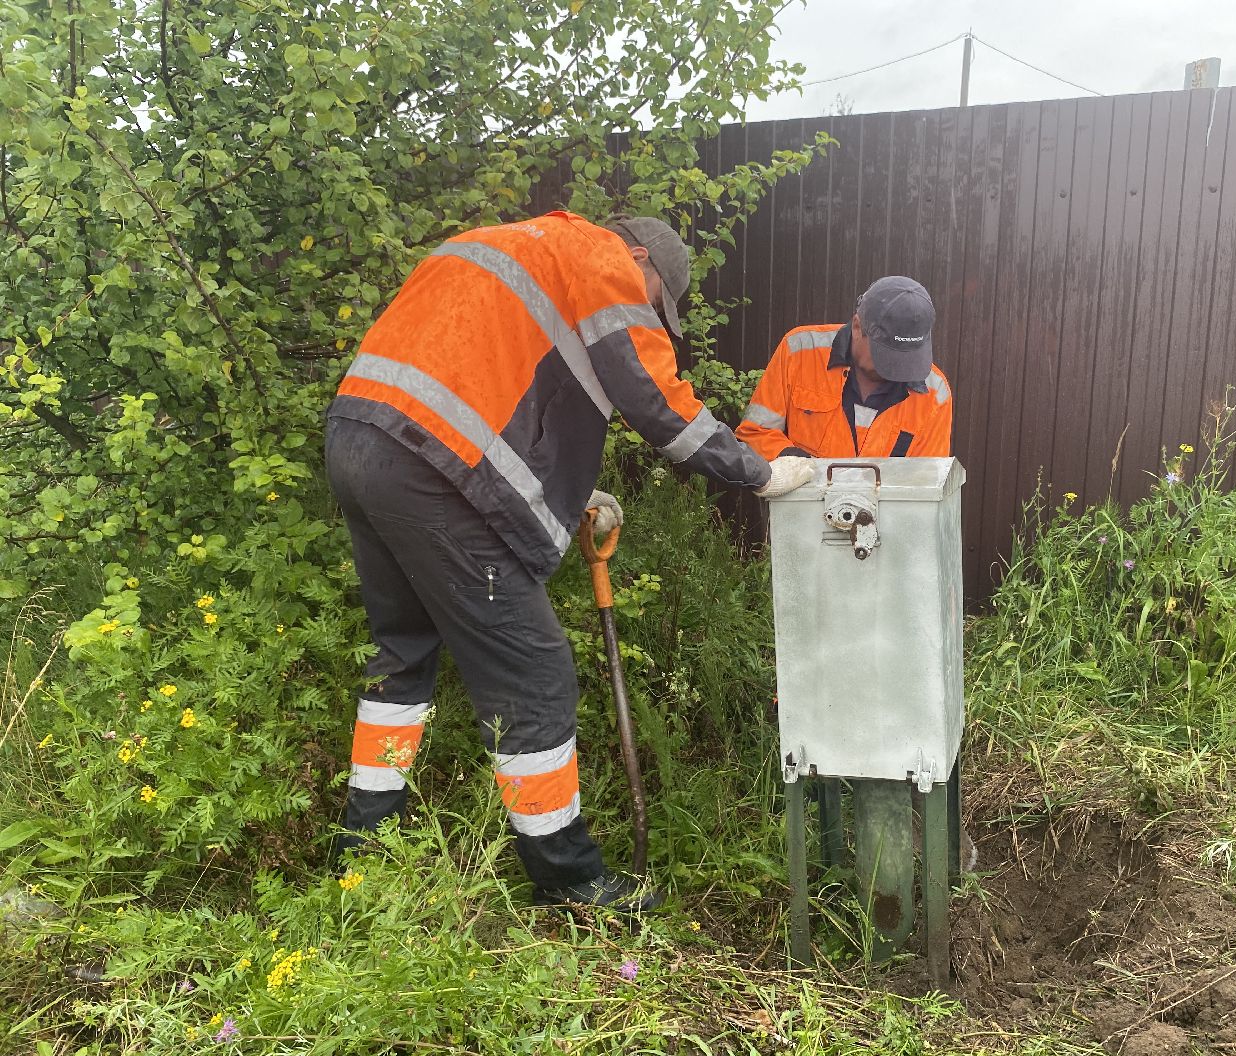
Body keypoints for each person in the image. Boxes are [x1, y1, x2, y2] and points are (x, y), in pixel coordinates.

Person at [325, 211, 812, 912]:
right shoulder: (600, 259)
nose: (649, 311)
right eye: (655, 298)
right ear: (640, 256)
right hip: (435, 468)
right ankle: (567, 879)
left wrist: (571, 490)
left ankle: (363, 852)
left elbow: (478, 382)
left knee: (402, 654)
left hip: (359, 439)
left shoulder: (500, 243)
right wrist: (757, 472)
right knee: (535, 674)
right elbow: (658, 403)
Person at [735, 277, 952, 461]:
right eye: (887, 356)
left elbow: (926, 484)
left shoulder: (935, 394)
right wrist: (794, 465)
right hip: (799, 507)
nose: (897, 369)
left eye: (907, 359)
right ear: (858, 327)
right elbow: (755, 434)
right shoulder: (799, 352)